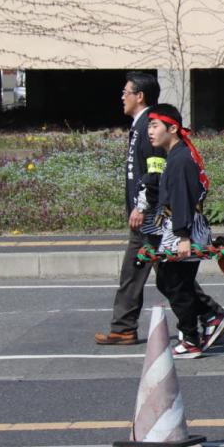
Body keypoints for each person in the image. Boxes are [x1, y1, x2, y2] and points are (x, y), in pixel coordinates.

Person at [146, 104, 224, 358]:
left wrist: (183, 236)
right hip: (178, 226)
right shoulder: (175, 156)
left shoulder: (181, 158)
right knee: (169, 281)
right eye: (149, 126)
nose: (150, 131)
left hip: (185, 228)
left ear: (172, 128)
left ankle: (191, 338)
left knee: (178, 285)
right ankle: (210, 316)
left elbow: (183, 198)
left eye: (155, 126)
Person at [95, 72, 163, 345]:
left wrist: (142, 206)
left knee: (142, 274)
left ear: (140, 96)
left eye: (126, 92)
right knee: (165, 275)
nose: (122, 97)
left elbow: (155, 169)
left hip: (149, 218)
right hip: (146, 217)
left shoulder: (150, 125)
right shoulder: (141, 125)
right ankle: (208, 315)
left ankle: (123, 327)